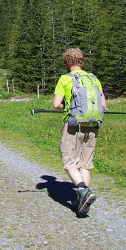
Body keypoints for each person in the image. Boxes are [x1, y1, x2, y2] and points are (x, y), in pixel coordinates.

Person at [52, 48, 108, 217]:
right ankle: (82, 199)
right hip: (93, 125)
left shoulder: (65, 79)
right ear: (81, 61)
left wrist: (67, 107)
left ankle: (83, 191)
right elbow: (104, 105)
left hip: (74, 126)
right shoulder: (93, 79)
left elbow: (56, 104)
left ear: (67, 62)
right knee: (85, 163)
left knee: (69, 161)